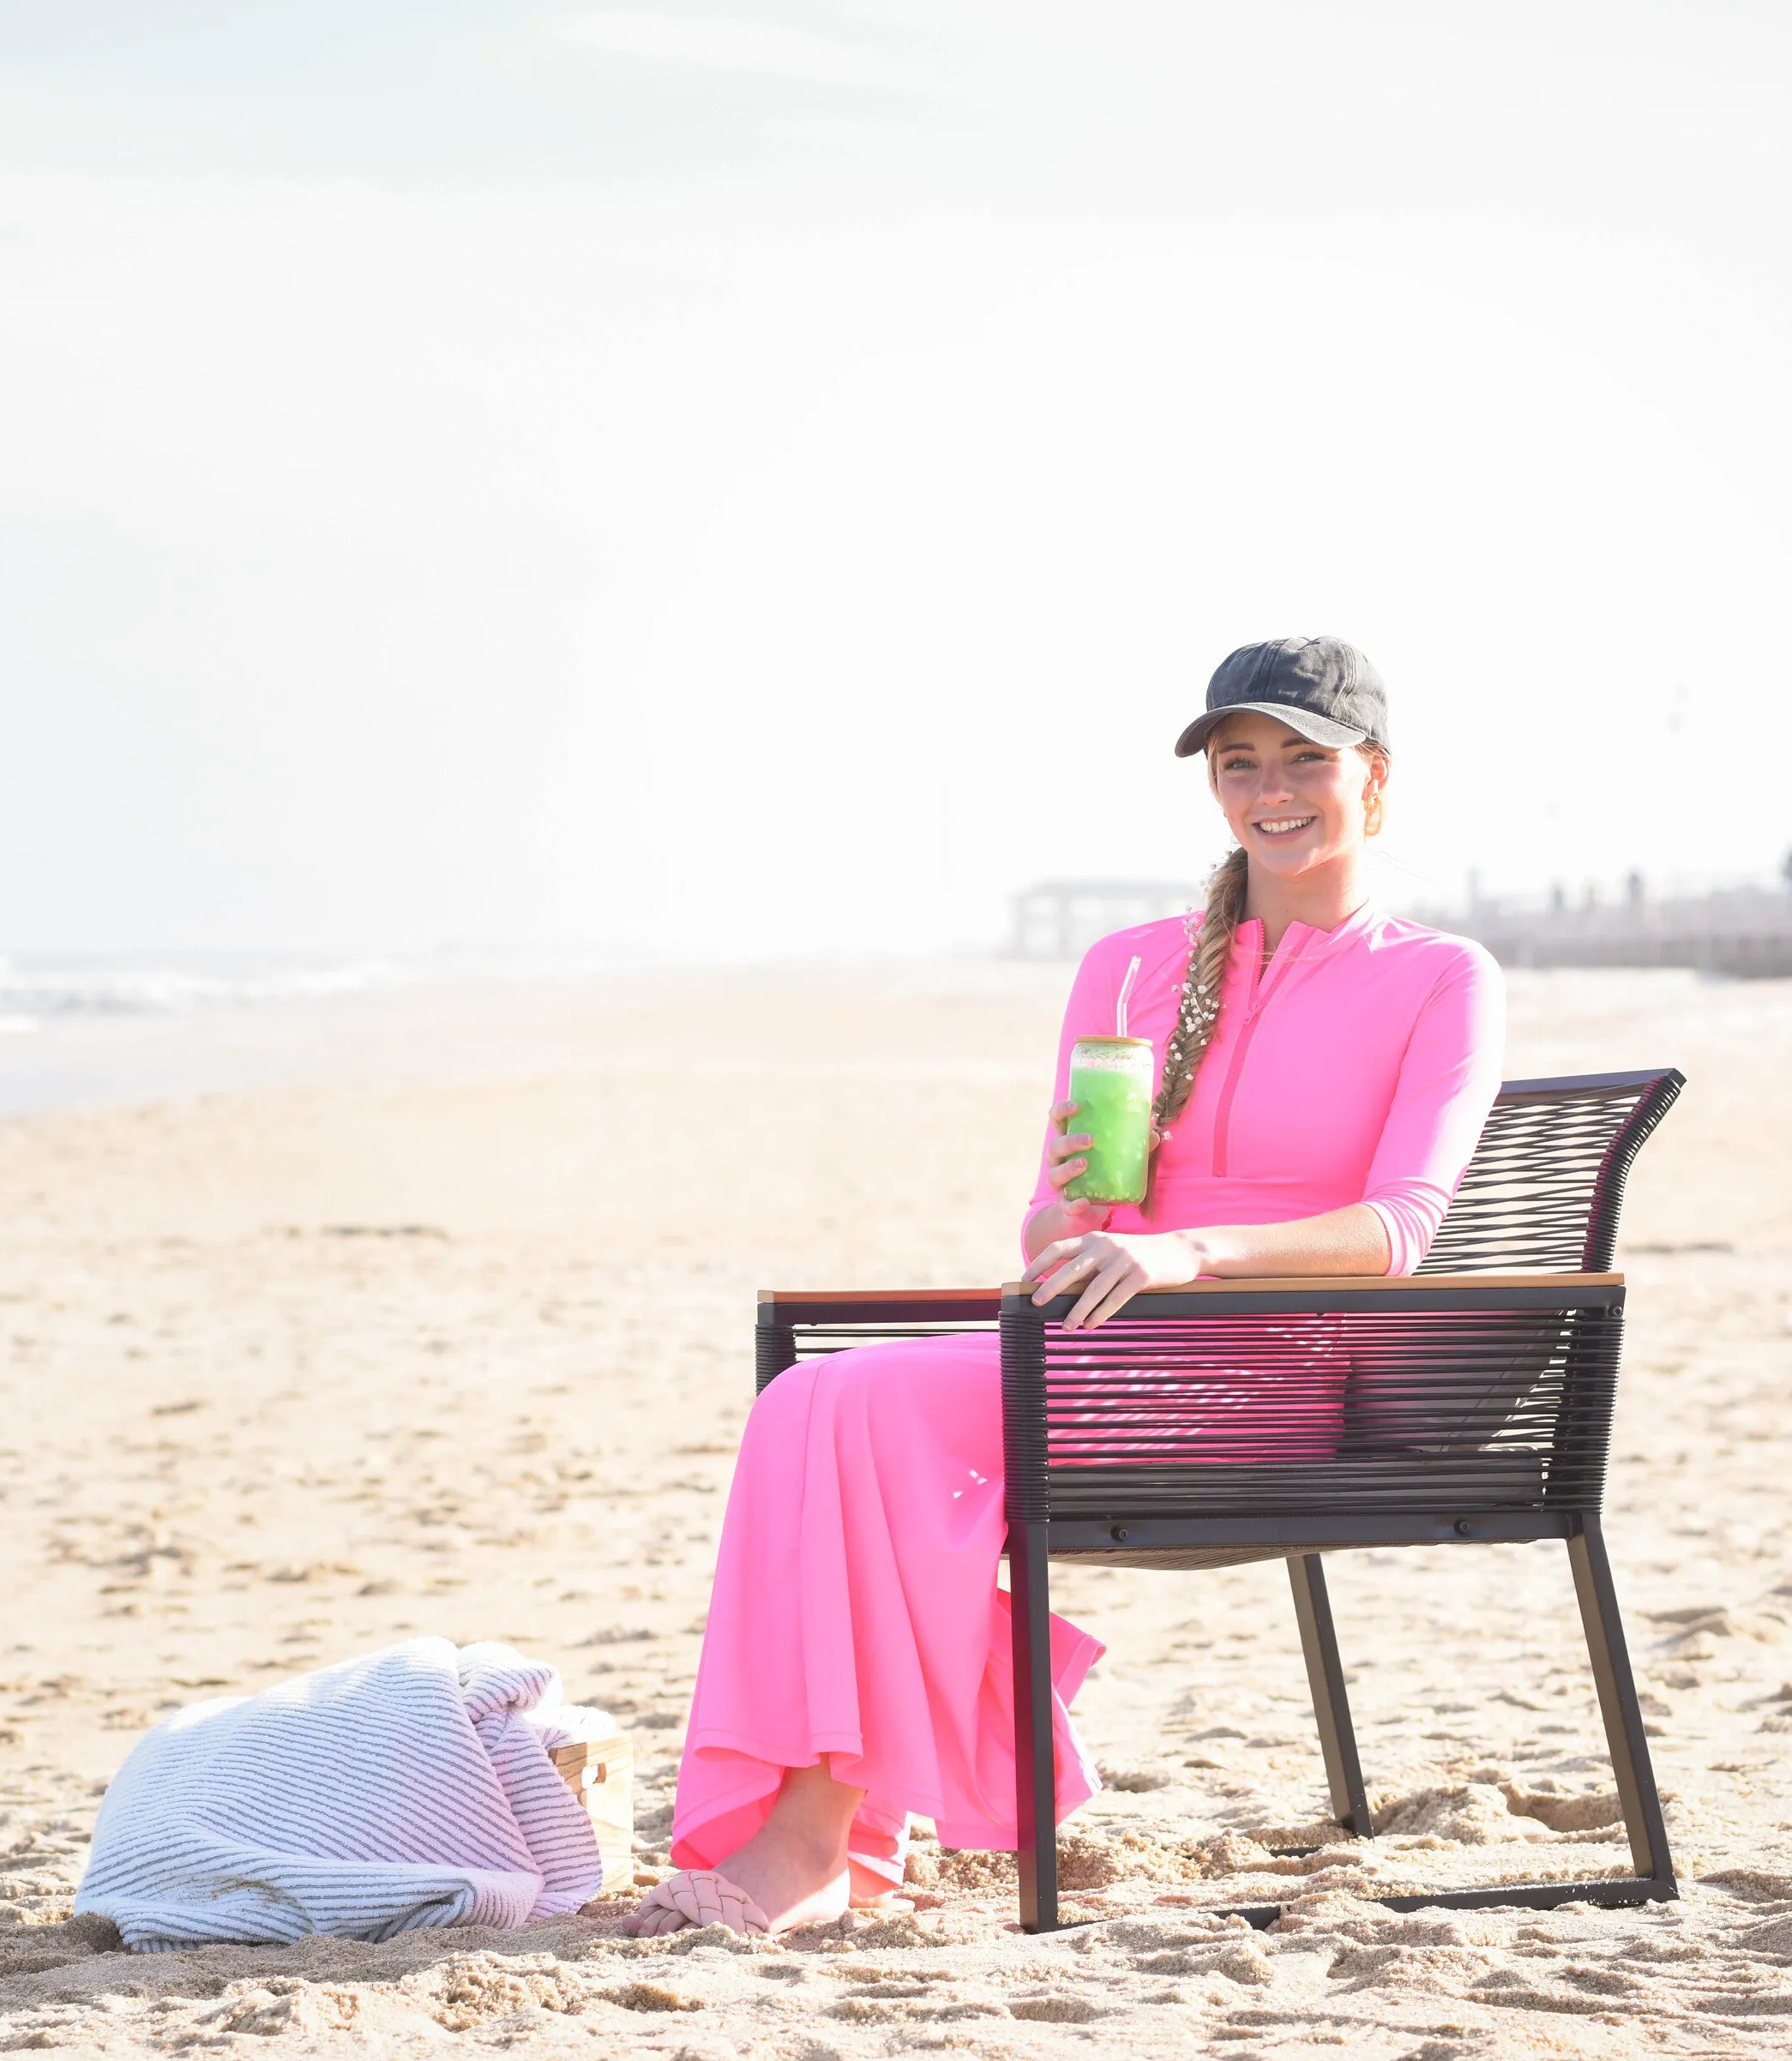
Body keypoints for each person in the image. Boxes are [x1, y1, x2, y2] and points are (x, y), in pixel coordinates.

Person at [622, 638, 1506, 1938]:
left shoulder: (1441, 978)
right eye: (1238, 761)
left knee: (864, 1425)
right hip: (1094, 1347)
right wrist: (1074, 1213)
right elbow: (1060, 1219)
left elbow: (1401, 1228)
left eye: (1304, 759)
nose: (1272, 788)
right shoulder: (1138, 967)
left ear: (1373, 777)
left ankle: (817, 1843)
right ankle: (825, 1830)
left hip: (1270, 1374)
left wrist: (1184, 1253)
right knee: (810, 1407)